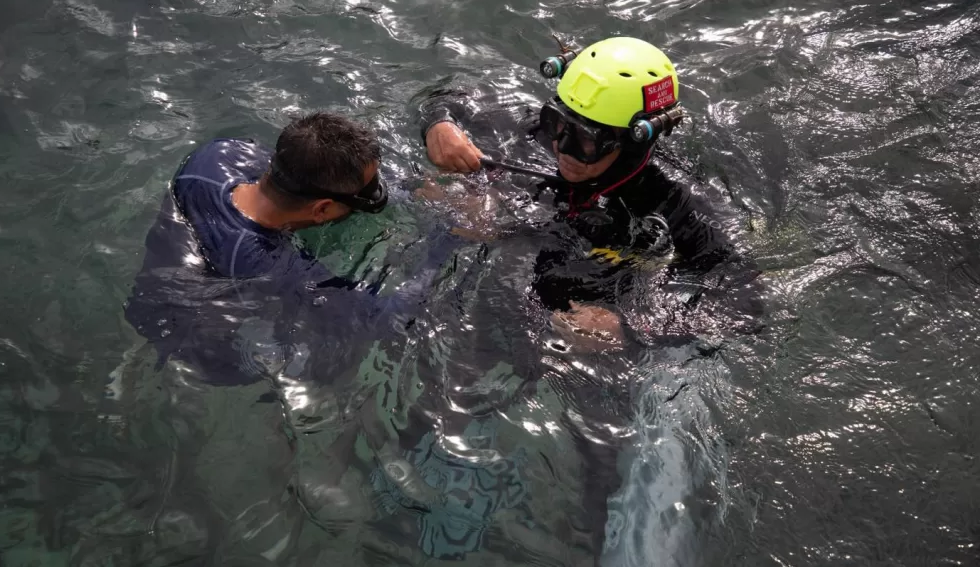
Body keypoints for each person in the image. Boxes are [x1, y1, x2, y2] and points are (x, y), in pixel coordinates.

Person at [416, 35, 763, 345]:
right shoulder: (534, 132)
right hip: (502, 299)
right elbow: (447, 96)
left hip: (598, 330)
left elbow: (745, 303)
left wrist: (630, 329)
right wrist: (440, 127)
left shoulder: (674, 200)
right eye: (557, 123)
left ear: (630, 143)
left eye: (585, 140)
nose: (562, 148)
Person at [123, 111, 464, 387]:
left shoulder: (221, 154)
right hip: (195, 340)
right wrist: (449, 236)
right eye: (367, 192)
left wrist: (414, 188)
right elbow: (384, 318)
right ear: (322, 210)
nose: (377, 194)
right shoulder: (266, 262)